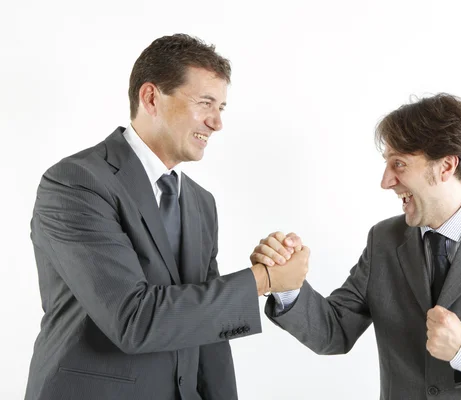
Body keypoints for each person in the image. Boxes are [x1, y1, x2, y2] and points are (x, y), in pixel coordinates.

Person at [25, 33, 309, 400]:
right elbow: (133, 319)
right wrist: (263, 279)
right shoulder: (76, 183)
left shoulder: (200, 202)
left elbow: (209, 335)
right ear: (150, 98)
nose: (216, 122)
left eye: (221, 107)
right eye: (205, 103)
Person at [251, 93, 461, 399]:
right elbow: (334, 331)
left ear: (446, 166)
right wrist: (288, 287)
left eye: (399, 164)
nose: (385, 182)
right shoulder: (383, 240)